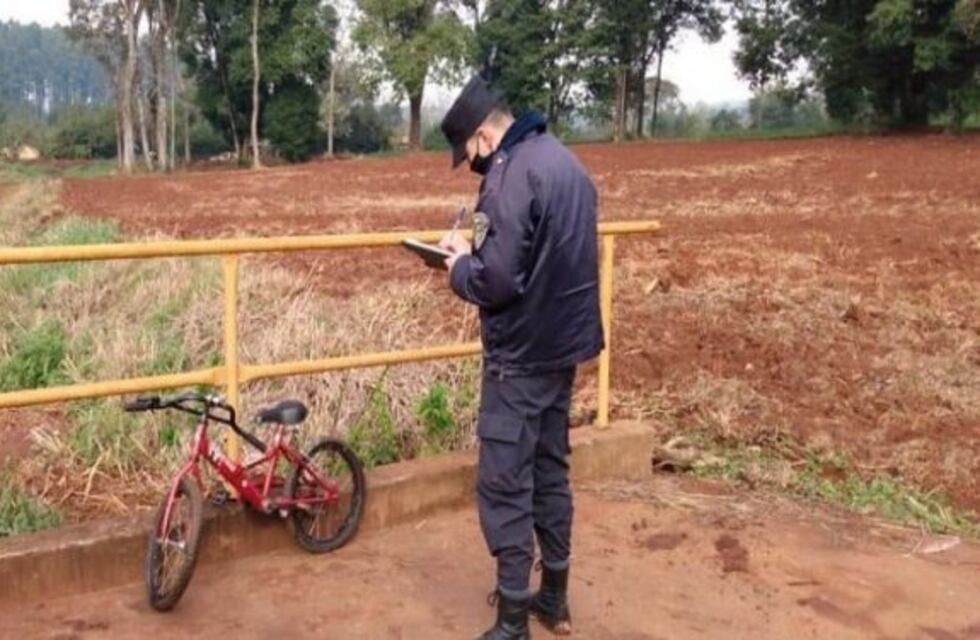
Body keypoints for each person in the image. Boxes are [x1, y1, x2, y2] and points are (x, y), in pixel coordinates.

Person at [438, 73, 603, 640]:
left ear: (484, 136)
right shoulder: (565, 163)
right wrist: (474, 249)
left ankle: (512, 621)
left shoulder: (509, 177)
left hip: (519, 357)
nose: (474, 164)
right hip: (562, 353)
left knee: (505, 482)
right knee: (550, 472)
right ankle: (552, 597)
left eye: (470, 154)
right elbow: (538, 254)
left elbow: (498, 279)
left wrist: (457, 266)